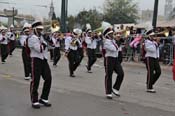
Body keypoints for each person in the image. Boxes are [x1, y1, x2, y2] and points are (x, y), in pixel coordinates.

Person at [28, 20, 52, 109]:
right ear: (34, 29)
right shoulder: (31, 38)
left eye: (41, 29)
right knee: (36, 81)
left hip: (44, 60)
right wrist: (44, 43)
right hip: (36, 60)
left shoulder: (41, 37)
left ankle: (44, 98)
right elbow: (39, 49)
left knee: (48, 78)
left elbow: (51, 47)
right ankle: (34, 100)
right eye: (38, 29)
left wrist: (49, 40)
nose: (40, 31)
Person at [103, 26, 124, 99]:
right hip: (109, 59)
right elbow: (114, 49)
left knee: (121, 73)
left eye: (112, 33)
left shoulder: (113, 41)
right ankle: (108, 92)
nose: (113, 35)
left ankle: (115, 88)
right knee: (109, 75)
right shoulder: (106, 42)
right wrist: (118, 41)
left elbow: (119, 48)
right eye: (111, 34)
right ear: (107, 35)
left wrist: (120, 40)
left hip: (115, 59)